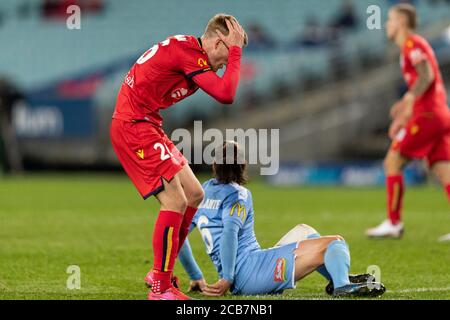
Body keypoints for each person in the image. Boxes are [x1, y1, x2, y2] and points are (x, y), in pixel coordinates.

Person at [110, 14, 248, 300]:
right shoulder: (189, 54)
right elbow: (226, 93)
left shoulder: (190, 51)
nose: (227, 64)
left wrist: (231, 52)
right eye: (228, 53)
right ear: (219, 42)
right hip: (134, 126)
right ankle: (160, 287)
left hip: (148, 124)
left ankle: (160, 271)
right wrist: (235, 53)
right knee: (175, 200)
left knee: (195, 194)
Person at [159, 141, 385, 298]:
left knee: (304, 230)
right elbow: (229, 233)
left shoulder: (201, 192)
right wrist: (227, 278)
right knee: (334, 242)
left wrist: (196, 276)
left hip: (246, 270)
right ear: (242, 165)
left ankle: (339, 277)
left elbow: (178, 237)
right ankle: (343, 286)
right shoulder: (239, 194)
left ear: (215, 166)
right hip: (250, 274)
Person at [366, 4, 450, 241]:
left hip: (429, 116)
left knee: (392, 160)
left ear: (401, 22)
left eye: (390, 20)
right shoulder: (411, 47)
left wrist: (408, 98)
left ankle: (394, 223)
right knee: (444, 172)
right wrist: (404, 116)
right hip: (439, 115)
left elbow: (427, 76)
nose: (387, 25)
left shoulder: (412, 44)